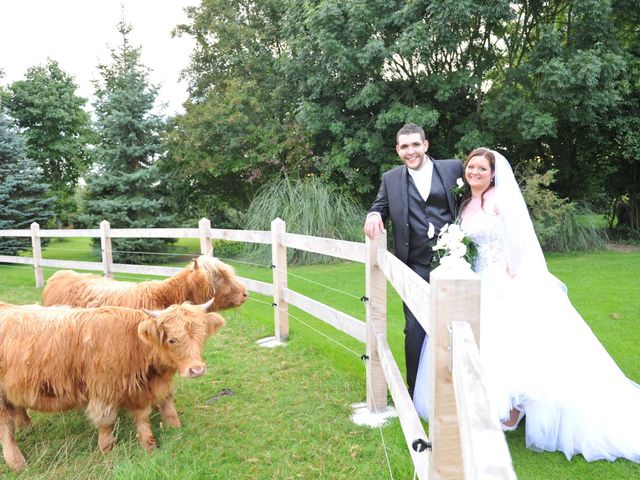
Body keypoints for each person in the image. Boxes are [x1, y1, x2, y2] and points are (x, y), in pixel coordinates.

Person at [413, 147, 640, 462]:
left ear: (493, 174)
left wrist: (514, 272)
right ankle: (493, 404)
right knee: (481, 343)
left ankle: (515, 409)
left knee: (515, 345)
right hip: (476, 278)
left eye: (481, 168)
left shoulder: (500, 199)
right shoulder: (465, 204)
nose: (474, 172)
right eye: (471, 167)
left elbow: (519, 238)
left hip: (505, 279)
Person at [364, 123, 463, 397]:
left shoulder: (454, 168)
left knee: (459, 326)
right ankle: (414, 391)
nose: (411, 151)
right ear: (398, 150)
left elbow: (473, 197)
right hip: (415, 265)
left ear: (426, 145)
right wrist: (373, 215)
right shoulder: (391, 179)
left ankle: (459, 388)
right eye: (404, 146)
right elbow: (379, 206)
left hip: (454, 264)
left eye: (415, 145)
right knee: (415, 328)